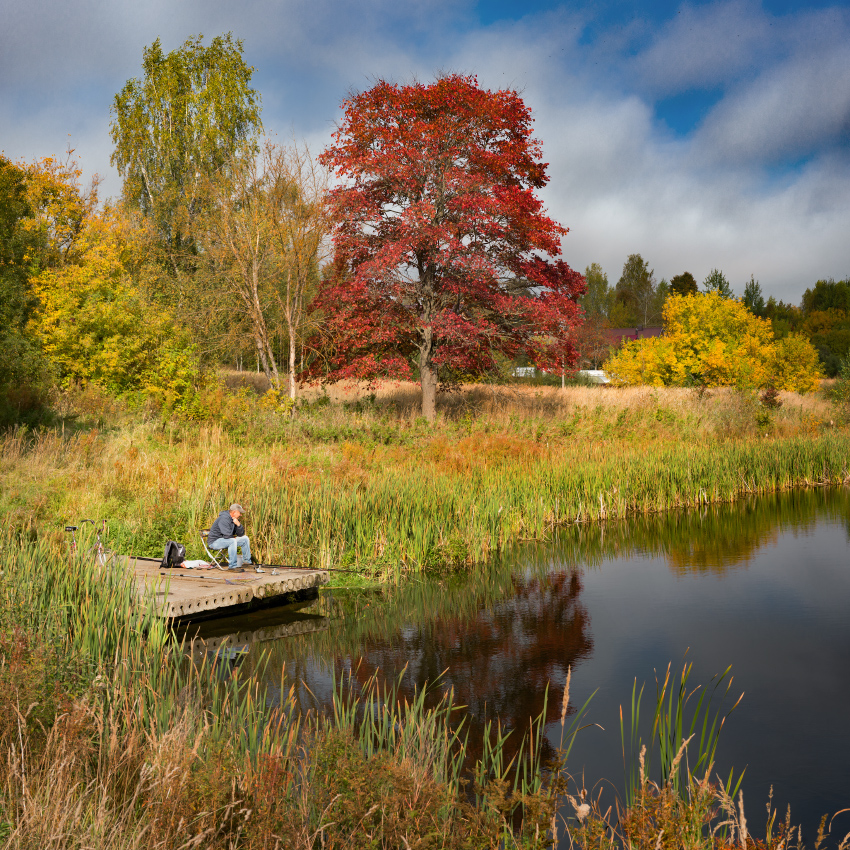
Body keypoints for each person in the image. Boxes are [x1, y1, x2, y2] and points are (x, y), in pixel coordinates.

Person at [208, 503, 255, 571]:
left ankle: (246, 562)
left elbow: (240, 534)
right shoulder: (223, 519)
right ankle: (232, 566)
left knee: (245, 539)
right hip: (214, 542)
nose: (241, 515)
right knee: (232, 541)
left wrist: (238, 525)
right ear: (234, 512)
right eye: (240, 513)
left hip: (225, 540)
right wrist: (234, 538)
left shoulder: (234, 519)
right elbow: (227, 535)